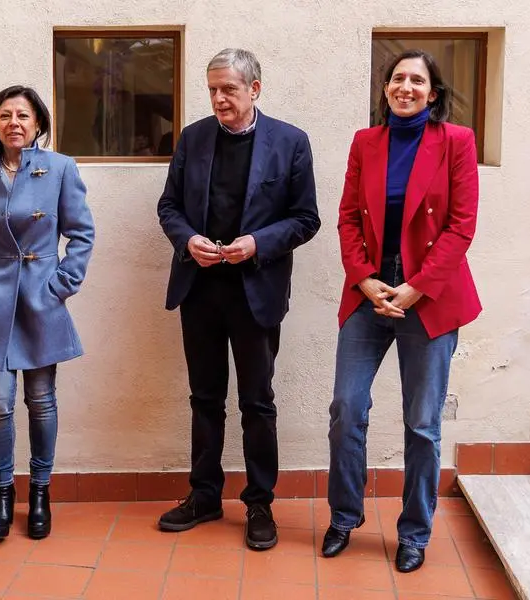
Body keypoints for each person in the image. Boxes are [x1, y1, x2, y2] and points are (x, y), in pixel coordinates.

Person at [322, 49, 481, 573]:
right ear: (386, 89)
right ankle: (344, 518)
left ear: (432, 94)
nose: (405, 87)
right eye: (396, 79)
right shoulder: (366, 143)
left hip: (428, 298)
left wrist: (415, 287)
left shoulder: (456, 141)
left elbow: (460, 226)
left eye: (417, 80)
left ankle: (415, 532)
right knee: (347, 408)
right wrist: (366, 280)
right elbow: (346, 218)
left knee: (421, 424)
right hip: (369, 295)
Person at [156, 48, 320, 550]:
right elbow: (169, 206)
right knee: (204, 398)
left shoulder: (291, 142)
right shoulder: (193, 138)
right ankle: (204, 495)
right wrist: (188, 240)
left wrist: (258, 244)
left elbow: (305, 218)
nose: (219, 99)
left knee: (256, 402)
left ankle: (259, 504)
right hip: (200, 289)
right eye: (212, 89)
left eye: (228, 88)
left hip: (256, 293)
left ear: (255, 88)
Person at [0, 85, 94, 540]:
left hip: (40, 300)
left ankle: (42, 492)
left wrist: (62, 284)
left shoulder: (61, 169)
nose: (14, 122)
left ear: (38, 125)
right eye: (5, 114)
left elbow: (82, 233)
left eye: (23, 116)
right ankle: (3, 492)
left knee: (42, 401)